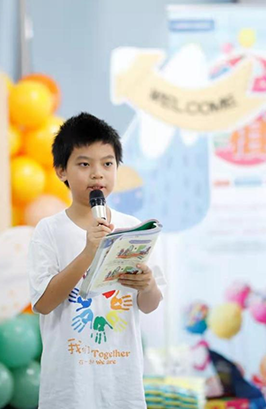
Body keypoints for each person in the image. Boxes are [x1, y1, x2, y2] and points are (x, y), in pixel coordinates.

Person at [28, 112, 163, 409]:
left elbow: (150, 304)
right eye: (84, 164)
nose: (97, 174)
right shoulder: (49, 230)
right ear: (61, 171)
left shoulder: (133, 229)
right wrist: (89, 252)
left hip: (121, 387)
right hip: (68, 390)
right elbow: (43, 303)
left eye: (107, 163)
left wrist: (148, 285)